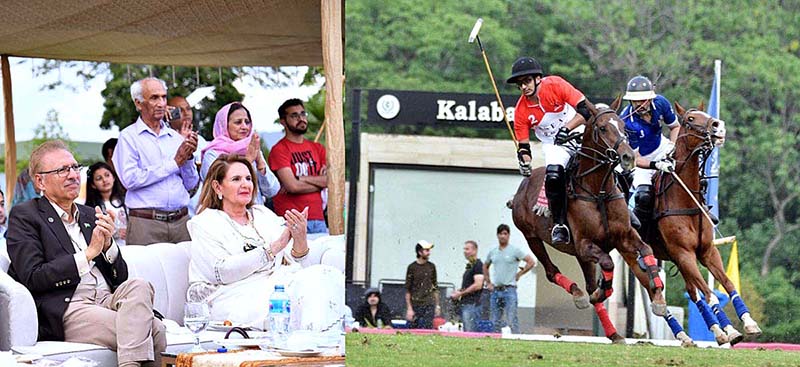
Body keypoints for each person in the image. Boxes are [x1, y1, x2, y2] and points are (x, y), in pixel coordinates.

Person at [6, 140, 166, 367]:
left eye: (74, 167)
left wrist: (109, 246)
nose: (73, 175)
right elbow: (33, 276)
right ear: (40, 181)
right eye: (62, 170)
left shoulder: (90, 214)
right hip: (69, 304)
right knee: (155, 329)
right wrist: (89, 253)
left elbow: (120, 279)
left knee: (139, 285)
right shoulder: (26, 216)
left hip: (106, 299)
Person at [187, 154, 341, 327]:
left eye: (248, 178)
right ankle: (311, 342)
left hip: (274, 286)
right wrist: (273, 249)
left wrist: (300, 238)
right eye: (236, 179)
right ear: (218, 187)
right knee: (300, 290)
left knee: (324, 275)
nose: (245, 184)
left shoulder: (262, 214)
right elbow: (222, 272)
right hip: (233, 296)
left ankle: (321, 343)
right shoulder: (205, 222)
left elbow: (296, 260)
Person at [507, 56, 593, 245]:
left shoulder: (556, 84)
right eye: (520, 84)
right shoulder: (521, 110)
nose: (524, 87)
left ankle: (627, 207)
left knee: (607, 156)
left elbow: (585, 110)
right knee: (553, 174)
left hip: (577, 129)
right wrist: (525, 162)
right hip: (554, 144)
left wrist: (567, 128)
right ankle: (560, 224)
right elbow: (523, 147)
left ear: (538, 78)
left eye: (527, 81)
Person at [112, 77, 199, 245]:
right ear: (138, 103)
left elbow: (191, 184)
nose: (161, 103)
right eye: (154, 98)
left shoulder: (176, 137)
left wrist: (187, 157)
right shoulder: (128, 137)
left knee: (184, 271)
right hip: (146, 223)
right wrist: (175, 163)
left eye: (163, 97)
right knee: (144, 271)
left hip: (181, 220)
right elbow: (130, 179)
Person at [619, 76, 679, 232]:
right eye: (635, 101)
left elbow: (675, 127)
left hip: (662, 146)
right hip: (639, 160)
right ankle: (642, 234)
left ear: (650, 98)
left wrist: (672, 147)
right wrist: (656, 165)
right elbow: (633, 159)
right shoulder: (627, 122)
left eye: (643, 100)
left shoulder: (661, 103)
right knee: (644, 196)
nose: (639, 104)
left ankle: (703, 208)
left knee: (688, 169)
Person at [201, 102, 280, 206]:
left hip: (256, 217)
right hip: (227, 217)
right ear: (224, 125)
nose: (244, 127)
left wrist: (260, 162)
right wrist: (248, 161)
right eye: (238, 122)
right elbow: (216, 190)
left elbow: (272, 191)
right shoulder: (213, 154)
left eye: (247, 122)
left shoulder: (251, 148)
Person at [268, 99, 328, 235]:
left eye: (303, 114)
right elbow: (292, 187)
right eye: (294, 116)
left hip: (318, 219)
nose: (301, 119)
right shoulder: (279, 150)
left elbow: (329, 181)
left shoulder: (317, 148)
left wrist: (301, 178)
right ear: (283, 121)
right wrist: (319, 183)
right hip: (291, 220)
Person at [483, 224, 536, 334]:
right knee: (494, 320)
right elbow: (485, 265)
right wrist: (488, 282)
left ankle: (516, 340)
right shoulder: (493, 252)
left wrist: (520, 274)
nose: (503, 236)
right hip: (496, 290)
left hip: (509, 289)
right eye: (501, 234)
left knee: (511, 319)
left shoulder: (514, 250)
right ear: (497, 235)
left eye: (505, 234)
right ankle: (494, 342)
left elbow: (531, 262)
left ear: (508, 235)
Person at [85, 162, 128, 246]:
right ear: (93, 185)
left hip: (131, 246)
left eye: (107, 175)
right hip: (110, 249)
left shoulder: (126, 200)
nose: (104, 180)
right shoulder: (91, 207)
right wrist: (115, 233)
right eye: (99, 178)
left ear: (114, 177)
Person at [404, 240, 440, 329]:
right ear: (419, 252)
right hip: (415, 304)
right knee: (412, 329)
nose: (429, 253)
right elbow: (408, 289)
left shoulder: (431, 266)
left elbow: (435, 286)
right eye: (426, 250)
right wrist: (409, 308)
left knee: (427, 328)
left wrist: (437, 305)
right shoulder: (412, 267)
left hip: (429, 304)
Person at [450, 240, 484, 332]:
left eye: (467, 249)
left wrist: (460, 293)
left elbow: (478, 285)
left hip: (472, 304)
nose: (465, 251)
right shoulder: (470, 266)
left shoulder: (478, 265)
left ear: (475, 250)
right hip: (467, 304)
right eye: (464, 249)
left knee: (470, 332)